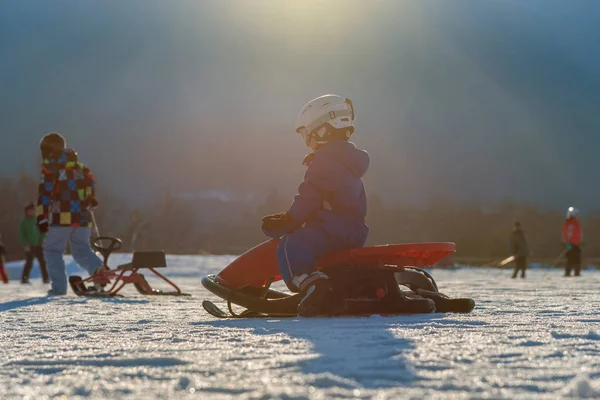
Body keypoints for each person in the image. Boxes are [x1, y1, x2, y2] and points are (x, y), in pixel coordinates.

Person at [261, 95, 370, 317]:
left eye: (306, 134)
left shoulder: (324, 161)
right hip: (354, 231)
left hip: (331, 230)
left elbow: (309, 196)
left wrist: (289, 220)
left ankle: (312, 284)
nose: (306, 140)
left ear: (322, 131)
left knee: (290, 246)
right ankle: (327, 283)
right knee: (307, 243)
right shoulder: (349, 161)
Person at [36, 132, 107, 295]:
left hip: (61, 217)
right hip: (83, 218)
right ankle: (98, 272)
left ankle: (59, 288)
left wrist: (41, 217)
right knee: (82, 250)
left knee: (52, 250)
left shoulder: (50, 169)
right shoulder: (80, 168)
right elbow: (90, 188)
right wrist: (91, 200)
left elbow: (44, 195)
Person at [18, 202, 49, 284]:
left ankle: (45, 278)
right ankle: (24, 278)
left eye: (32, 210)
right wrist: (25, 243)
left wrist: (42, 239)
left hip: (38, 244)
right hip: (29, 245)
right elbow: (21, 234)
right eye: (29, 211)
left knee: (42, 262)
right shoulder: (23, 222)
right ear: (26, 212)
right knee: (29, 262)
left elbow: (43, 231)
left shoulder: (37, 220)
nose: (30, 212)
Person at [562, 206, 583, 277]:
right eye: (576, 214)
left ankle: (577, 273)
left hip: (576, 244)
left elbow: (578, 234)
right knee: (570, 260)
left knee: (578, 260)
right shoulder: (569, 223)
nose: (578, 216)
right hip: (571, 244)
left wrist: (580, 242)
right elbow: (567, 233)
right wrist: (567, 242)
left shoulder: (576, 223)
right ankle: (567, 273)